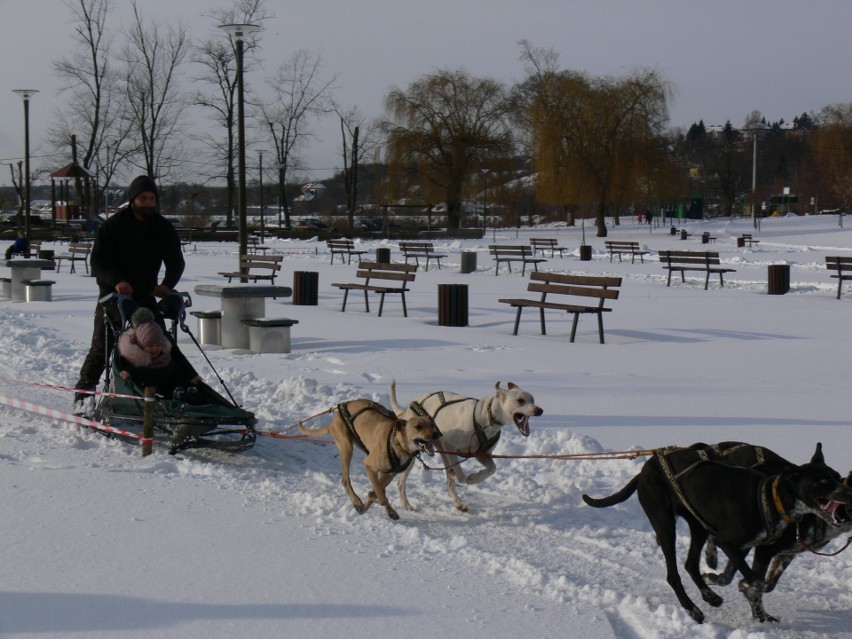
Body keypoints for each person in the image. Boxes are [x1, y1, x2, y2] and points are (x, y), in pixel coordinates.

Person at [73, 175, 185, 416]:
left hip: (145, 297)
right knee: (102, 348)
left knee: (159, 346)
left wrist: (167, 285)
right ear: (133, 199)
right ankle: (83, 398)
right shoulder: (113, 226)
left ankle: (159, 396)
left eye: (152, 199)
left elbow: (176, 261)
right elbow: (98, 262)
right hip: (113, 298)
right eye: (143, 198)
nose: (147, 203)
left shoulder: (162, 227)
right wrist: (117, 282)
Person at [117, 307, 201, 398]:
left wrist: (191, 376)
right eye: (150, 346)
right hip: (147, 398)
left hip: (168, 392)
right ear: (141, 346)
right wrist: (126, 374)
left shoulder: (165, 357)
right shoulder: (134, 360)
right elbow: (129, 372)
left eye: (158, 345)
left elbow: (179, 364)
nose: (155, 349)